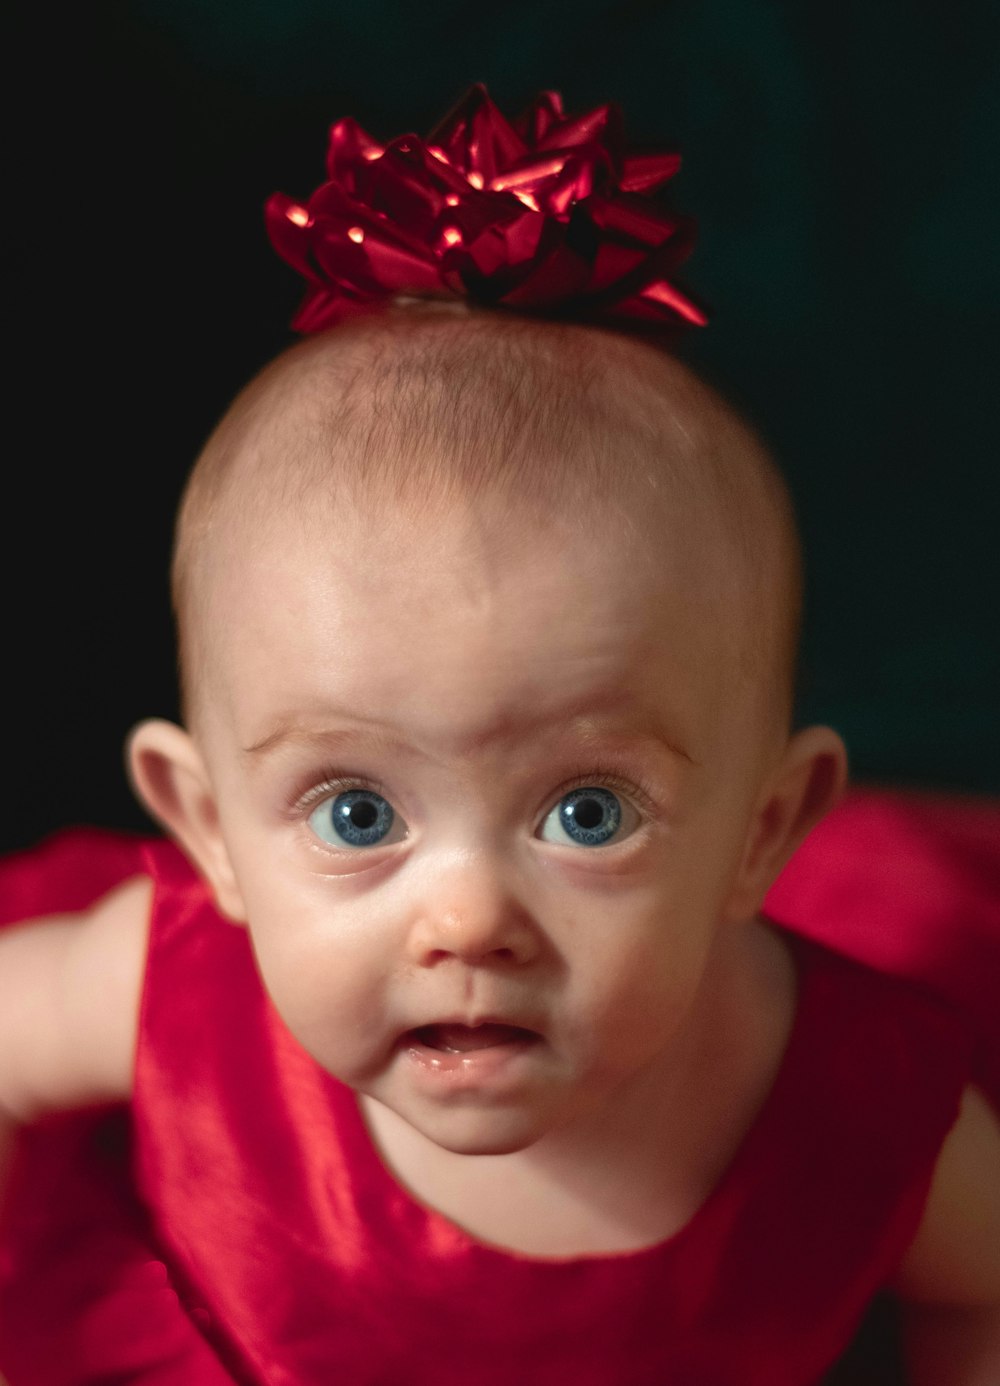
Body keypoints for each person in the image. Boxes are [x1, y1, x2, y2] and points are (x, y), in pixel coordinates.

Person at [1, 88, 999, 1385]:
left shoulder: (858, 1106)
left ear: (761, 831)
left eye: (589, 811)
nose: (468, 919)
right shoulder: (170, 986)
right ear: (209, 832)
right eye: (357, 812)